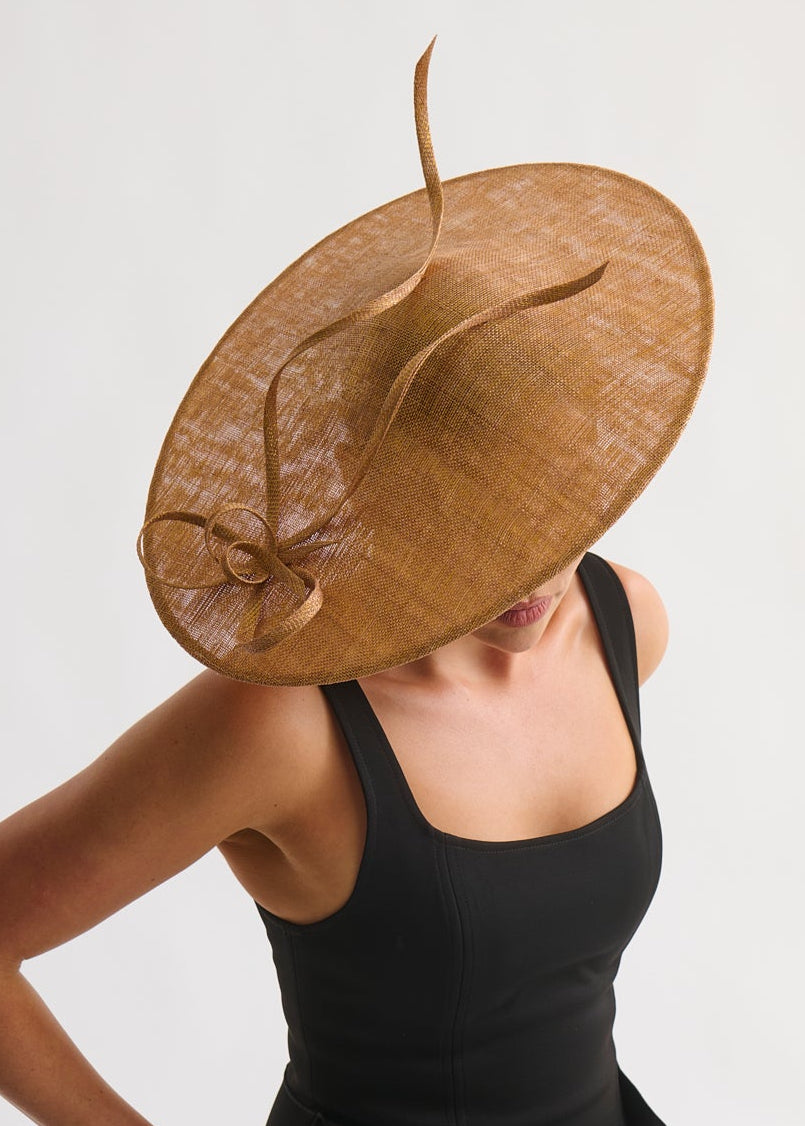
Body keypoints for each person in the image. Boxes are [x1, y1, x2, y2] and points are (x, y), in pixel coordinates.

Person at [0, 35, 712, 1126]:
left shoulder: (625, 624)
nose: (534, 575)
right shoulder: (278, 728)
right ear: (388, 506)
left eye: (555, 517)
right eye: (476, 535)